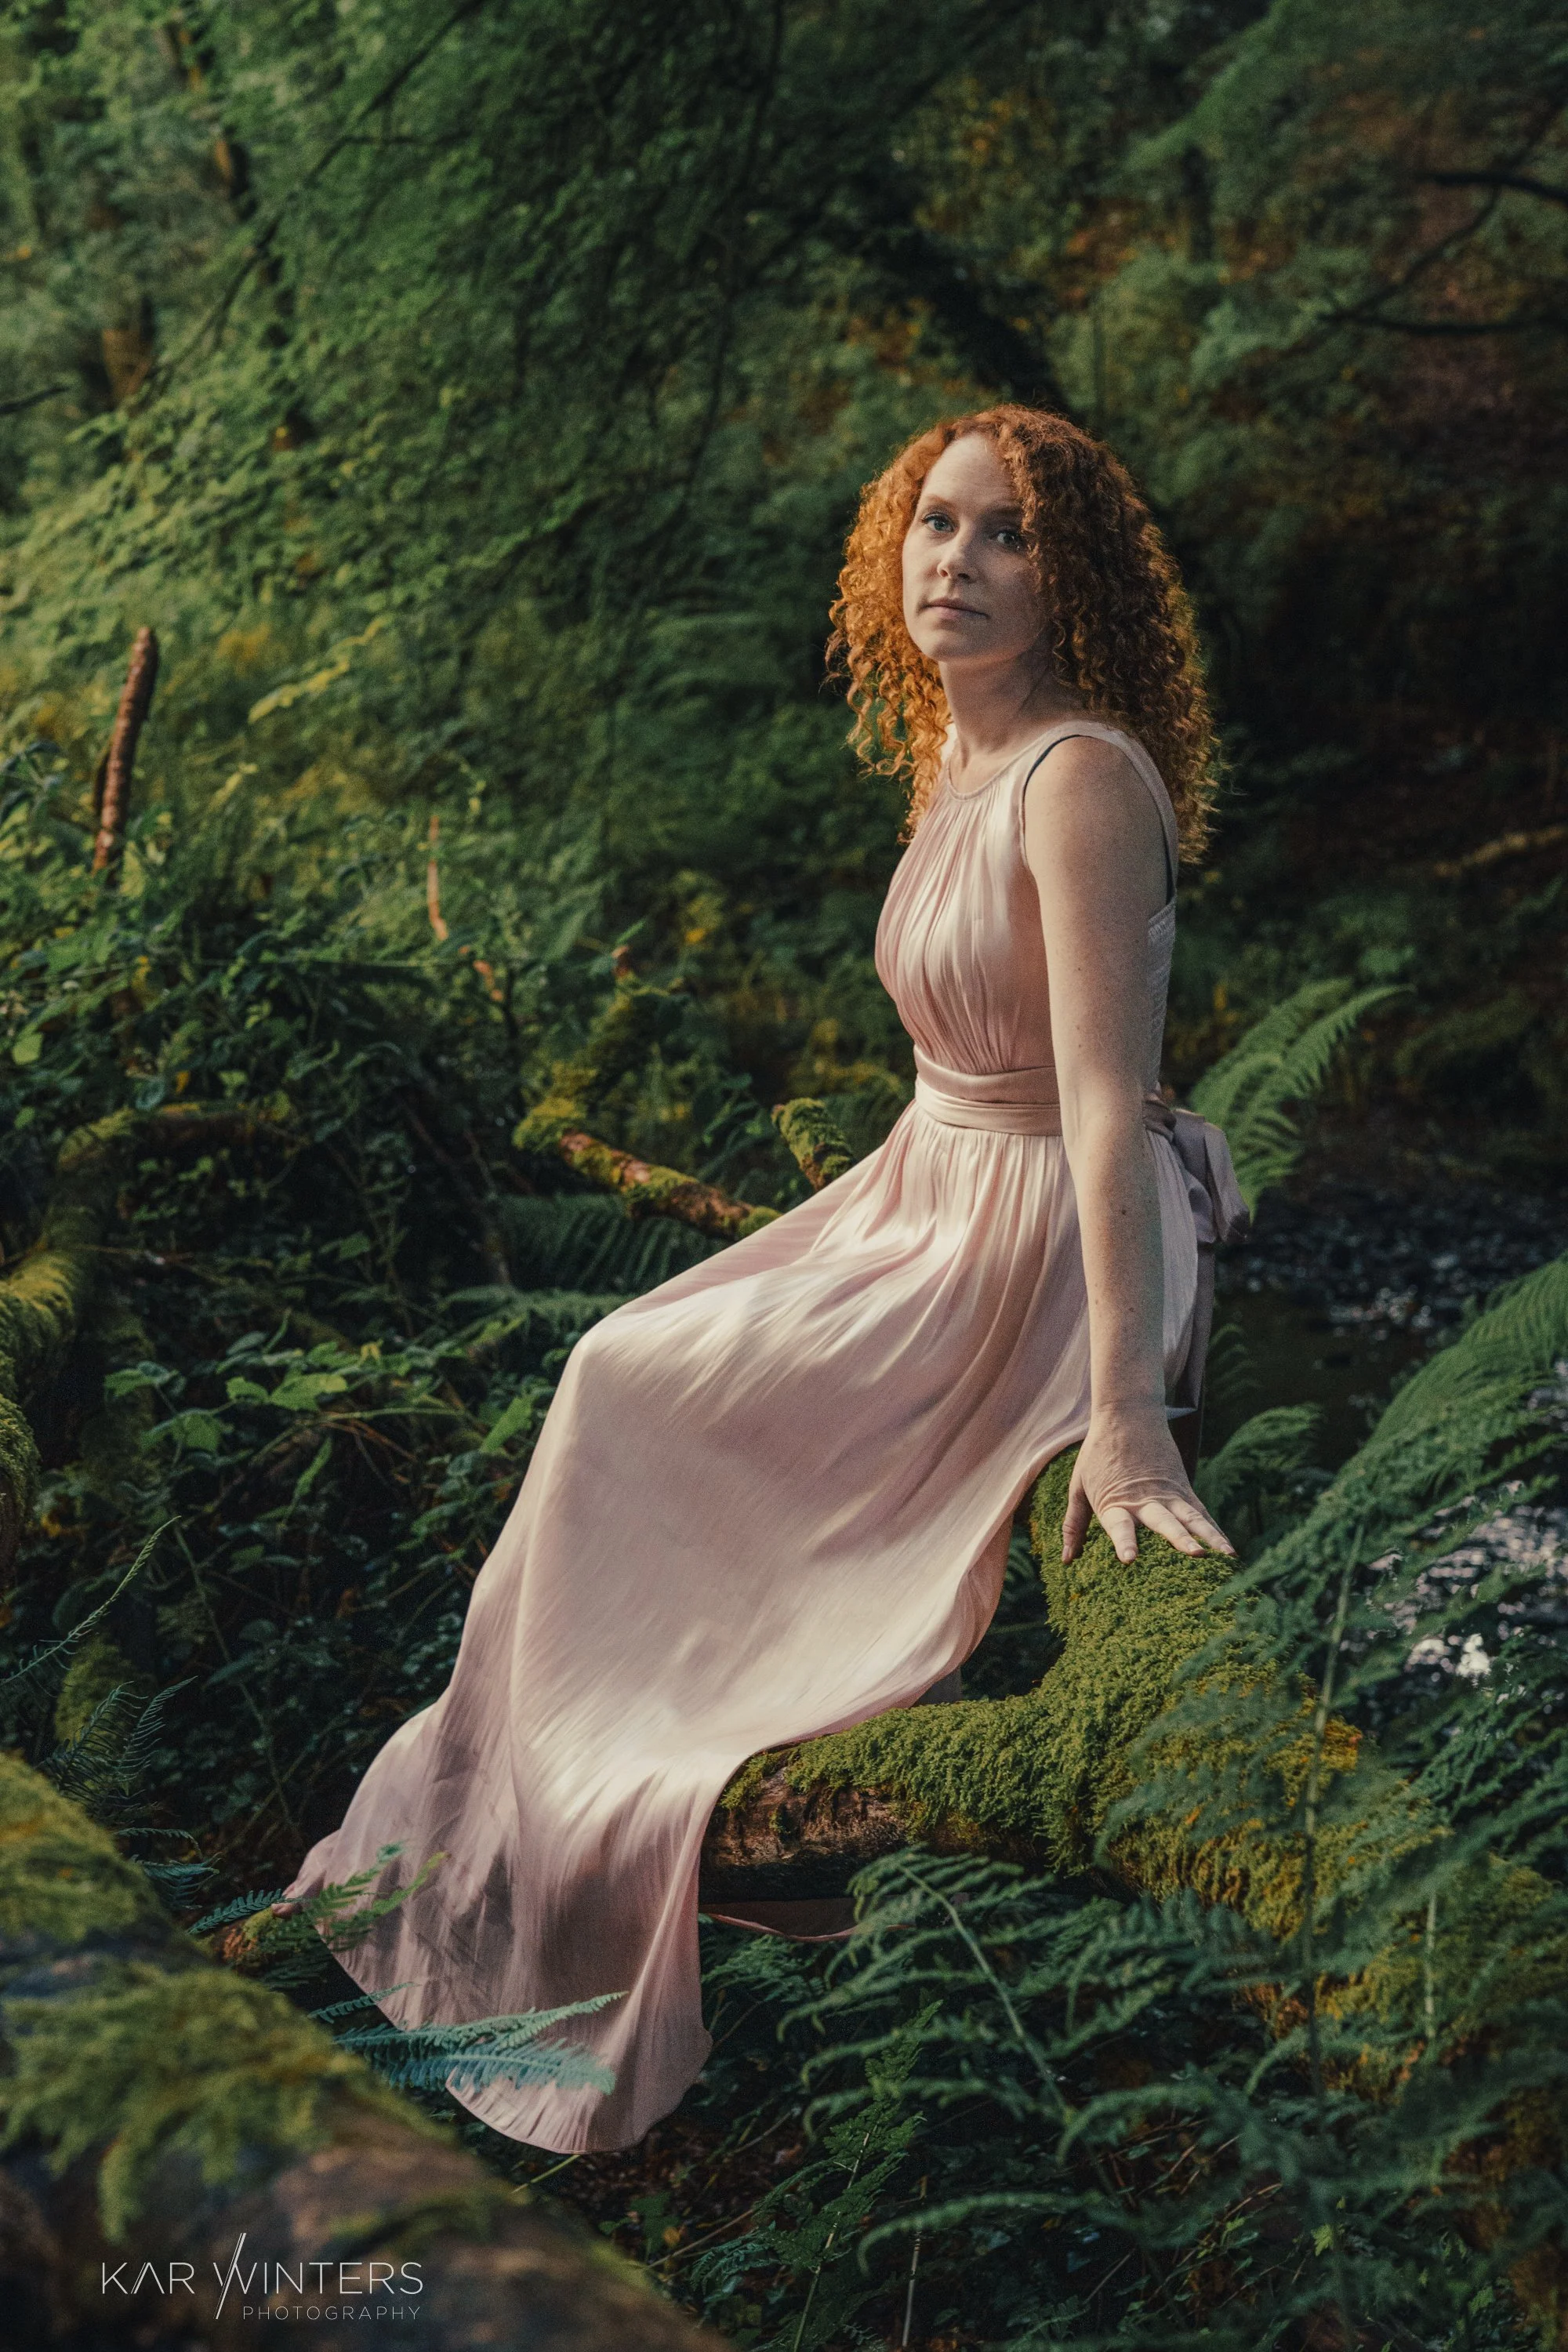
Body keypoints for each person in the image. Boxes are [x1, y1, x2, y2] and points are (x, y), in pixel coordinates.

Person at [284, 404, 1243, 2155]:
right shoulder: (958, 758)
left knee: (628, 1386)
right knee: (621, 1365)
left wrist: (1122, 1417)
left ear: (1078, 574)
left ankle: (598, 1850)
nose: (960, 561)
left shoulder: (1084, 777)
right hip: (929, 1178)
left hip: (1036, 1228)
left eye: (1009, 533)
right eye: (937, 525)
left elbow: (1104, 1109)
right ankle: (507, 1848)